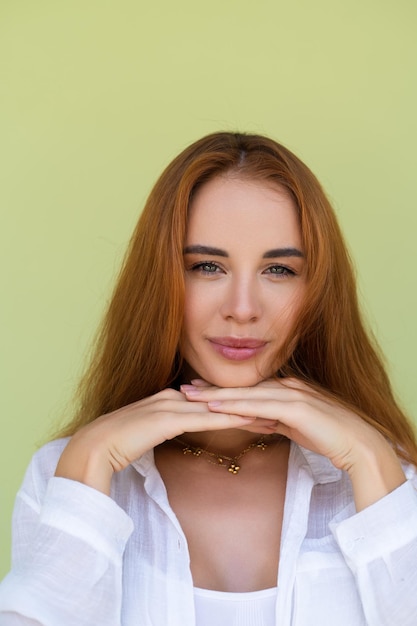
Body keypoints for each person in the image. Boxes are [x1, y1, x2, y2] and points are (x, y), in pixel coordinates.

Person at [0, 132, 416, 626]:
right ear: (160, 280)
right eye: (207, 266)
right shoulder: (68, 478)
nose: (242, 309)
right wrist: (91, 459)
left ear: (317, 291)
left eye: (279, 269)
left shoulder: (386, 484)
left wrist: (371, 460)